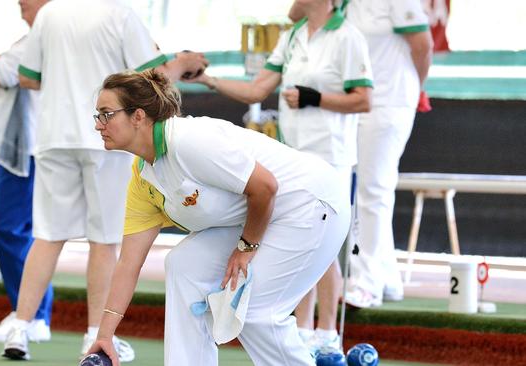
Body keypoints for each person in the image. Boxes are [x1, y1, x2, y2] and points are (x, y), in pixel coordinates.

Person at [86, 69, 351, 366]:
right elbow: (128, 264)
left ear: (138, 116)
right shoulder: (143, 177)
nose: (99, 125)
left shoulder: (188, 140)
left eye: (106, 114)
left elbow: (265, 188)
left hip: (311, 202)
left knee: (254, 311)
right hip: (262, 213)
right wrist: (105, 335)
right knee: (184, 265)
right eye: (97, 115)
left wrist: (245, 248)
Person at [2, 0, 208, 361]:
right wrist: (186, 62)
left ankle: (19, 328)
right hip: (106, 137)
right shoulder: (120, 13)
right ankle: (94, 336)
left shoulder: (49, 13)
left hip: (54, 137)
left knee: (48, 235)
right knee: (104, 240)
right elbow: (155, 77)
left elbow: (27, 77)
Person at [193, 0, 372, 352]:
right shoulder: (291, 36)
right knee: (301, 238)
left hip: (332, 156)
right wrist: (208, 80)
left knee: (327, 242)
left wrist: (315, 98)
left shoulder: (349, 37)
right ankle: (304, 329)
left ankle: (328, 333)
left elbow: (363, 99)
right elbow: (258, 89)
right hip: (294, 156)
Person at [344, 0, 433, 308]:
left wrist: (413, 89)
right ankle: (388, 278)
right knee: (367, 189)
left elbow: (423, 47)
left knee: (372, 190)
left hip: (390, 101)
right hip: (357, 103)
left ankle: (367, 284)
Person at [0, 0, 52, 344]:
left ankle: (32, 314)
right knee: (17, 231)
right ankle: (31, 313)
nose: (22, 9)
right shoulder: (25, 41)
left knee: (8, 229)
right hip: (3, 150)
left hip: (26, 152)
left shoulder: (41, 41)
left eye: (27, 4)